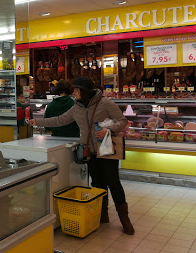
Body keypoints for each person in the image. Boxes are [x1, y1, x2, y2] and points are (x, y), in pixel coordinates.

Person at [30, 77, 134, 235]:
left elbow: (122, 121)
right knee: (97, 183)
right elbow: (61, 120)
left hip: (106, 149)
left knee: (113, 183)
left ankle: (125, 220)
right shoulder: (76, 107)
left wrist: (109, 130)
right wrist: (37, 122)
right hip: (89, 150)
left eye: (77, 90)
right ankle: (102, 215)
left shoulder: (104, 103)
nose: (74, 92)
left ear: (84, 91)